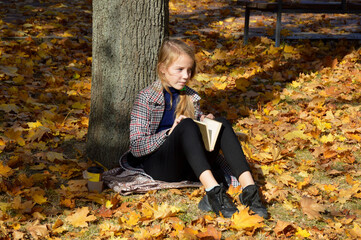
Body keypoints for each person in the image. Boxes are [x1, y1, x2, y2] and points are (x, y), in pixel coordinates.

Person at [127, 38, 268, 219]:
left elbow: (192, 134)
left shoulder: (191, 97)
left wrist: (204, 121)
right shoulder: (146, 98)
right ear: (162, 68)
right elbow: (137, 147)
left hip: (191, 165)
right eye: (179, 70)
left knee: (221, 123)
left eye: (189, 70)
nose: (186, 76)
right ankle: (214, 193)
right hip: (160, 165)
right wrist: (169, 133)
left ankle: (250, 192)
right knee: (185, 125)